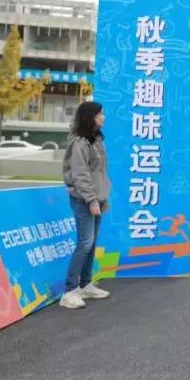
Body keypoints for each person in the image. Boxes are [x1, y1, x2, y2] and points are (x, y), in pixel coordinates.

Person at [60, 101, 112, 310]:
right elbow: (80, 174)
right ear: (90, 117)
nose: (103, 117)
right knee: (84, 243)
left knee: (91, 243)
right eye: (100, 114)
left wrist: (102, 198)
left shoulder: (96, 140)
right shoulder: (80, 142)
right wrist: (91, 200)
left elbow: (99, 174)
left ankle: (85, 284)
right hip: (83, 200)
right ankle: (70, 291)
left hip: (96, 200)